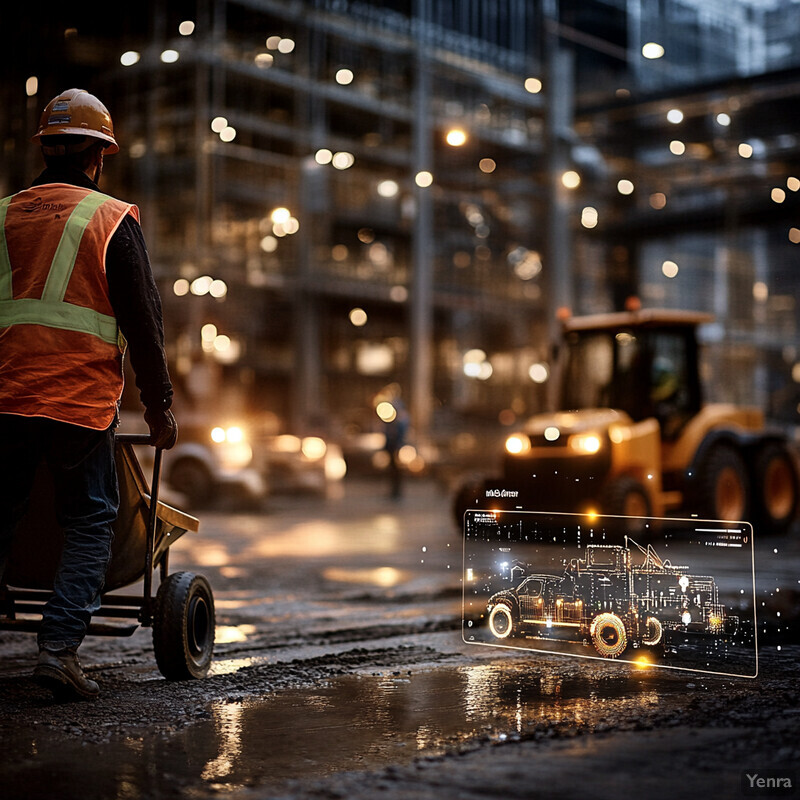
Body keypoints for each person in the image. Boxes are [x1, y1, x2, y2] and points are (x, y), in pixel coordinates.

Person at [0, 88, 177, 700]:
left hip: (3, 398)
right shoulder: (110, 220)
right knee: (91, 520)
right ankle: (57, 652)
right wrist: (160, 409)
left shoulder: (3, 215)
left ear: (46, 148)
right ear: (100, 155)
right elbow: (144, 326)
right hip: (78, 401)